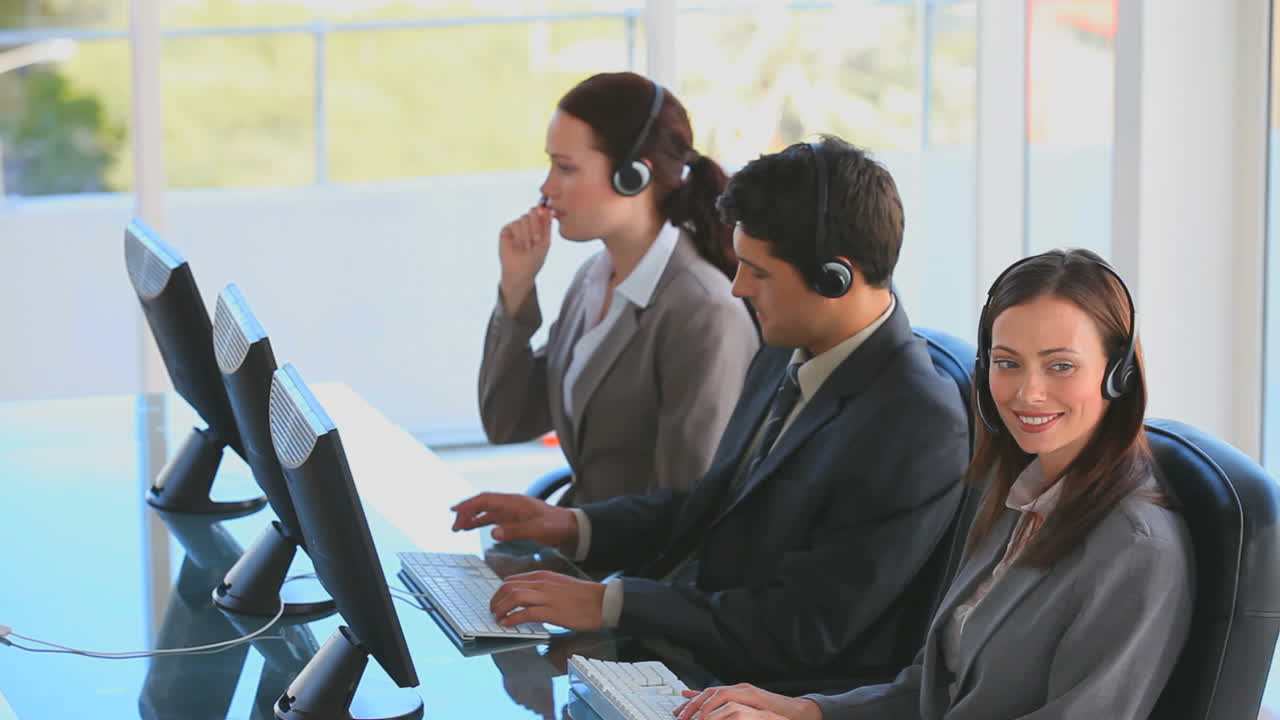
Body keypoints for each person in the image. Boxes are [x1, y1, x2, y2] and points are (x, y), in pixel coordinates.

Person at [453, 137, 970, 689]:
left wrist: (612, 604)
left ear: (833, 278)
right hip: (690, 646)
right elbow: (719, 508)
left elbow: (801, 629)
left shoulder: (916, 424)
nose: (739, 286)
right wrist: (573, 525)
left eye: (758, 272)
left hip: (758, 688)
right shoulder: (786, 347)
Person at [673, 248, 1194, 719]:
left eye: (1061, 366)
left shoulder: (1136, 550)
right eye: (1007, 364)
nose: (1029, 392)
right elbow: (929, 692)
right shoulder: (1021, 498)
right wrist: (803, 712)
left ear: (1117, 375)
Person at [479, 71, 759, 506]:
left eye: (566, 168)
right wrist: (517, 288)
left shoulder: (702, 312)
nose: (546, 187)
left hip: (624, 569)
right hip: (575, 557)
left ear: (633, 176)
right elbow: (506, 422)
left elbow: (684, 512)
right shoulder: (594, 279)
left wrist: (565, 537)